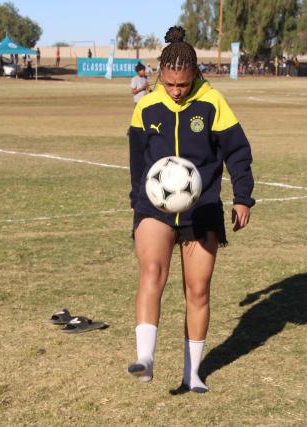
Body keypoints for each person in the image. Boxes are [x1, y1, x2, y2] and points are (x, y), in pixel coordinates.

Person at [127, 26, 255, 393]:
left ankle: (193, 373)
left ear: (195, 74)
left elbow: (238, 152)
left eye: (182, 85)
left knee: (197, 290)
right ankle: (145, 359)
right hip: (155, 208)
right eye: (169, 84)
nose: (176, 92)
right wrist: (137, 202)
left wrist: (243, 196)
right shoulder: (147, 107)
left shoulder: (213, 103)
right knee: (152, 271)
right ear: (159, 76)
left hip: (203, 208)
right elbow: (137, 163)